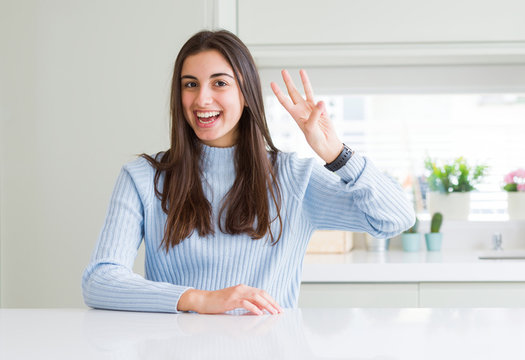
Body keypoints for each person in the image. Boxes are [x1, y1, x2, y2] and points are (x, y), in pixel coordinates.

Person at [82, 30, 414, 315]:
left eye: (219, 83)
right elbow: (100, 281)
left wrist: (336, 154)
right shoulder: (143, 177)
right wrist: (199, 299)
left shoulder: (293, 177)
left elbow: (395, 219)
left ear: (246, 92)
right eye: (190, 84)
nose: (202, 98)